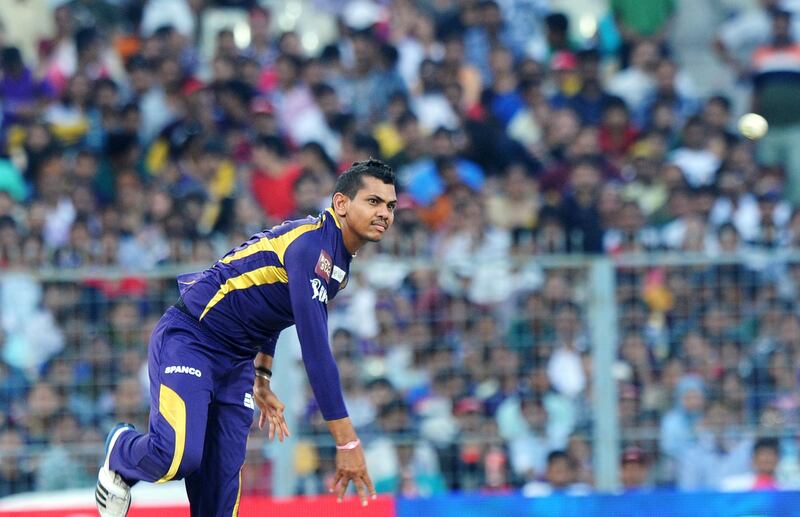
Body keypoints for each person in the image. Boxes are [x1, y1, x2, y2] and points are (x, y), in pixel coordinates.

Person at [95, 159, 397, 516]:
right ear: (341, 204)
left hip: (237, 361)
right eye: (373, 201)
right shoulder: (310, 248)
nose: (384, 213)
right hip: (192, 338)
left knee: (220, 496)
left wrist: (263, 375)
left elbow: (272, 308)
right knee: (176, 457)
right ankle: (121, 448)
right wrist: (347, 442)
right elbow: (316, 352)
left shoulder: (337, 264)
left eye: (390, 206)